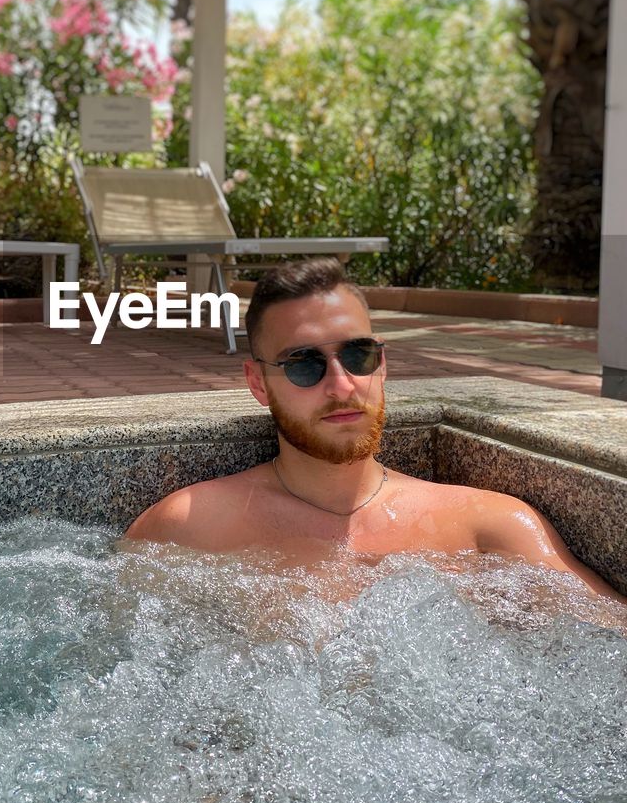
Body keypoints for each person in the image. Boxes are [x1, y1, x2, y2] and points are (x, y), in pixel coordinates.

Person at [125, 258, 627, 606]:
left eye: (358, 355)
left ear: (382, 365)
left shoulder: (488, 529)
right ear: (259, 383)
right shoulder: (190, 530)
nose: (341, 385)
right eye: (303, 364)